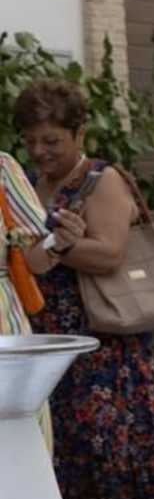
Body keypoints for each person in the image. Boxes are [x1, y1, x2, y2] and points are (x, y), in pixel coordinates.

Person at [14, 78, 154, 499]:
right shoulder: (31, 186)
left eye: (51, 140)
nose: (39, 151)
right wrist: (46, 247)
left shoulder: (101, 180)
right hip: (52, 334)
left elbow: (111, 253)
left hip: (105, 336)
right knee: (72, 439)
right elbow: (30, 260)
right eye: (31, 140)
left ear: (78, 134)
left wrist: (58, 246)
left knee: (117, 433)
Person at [0, 151, 58, 443]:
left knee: (15, 444)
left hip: (3, 329)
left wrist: (61, 243)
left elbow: (36, 256)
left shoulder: (2, 168)